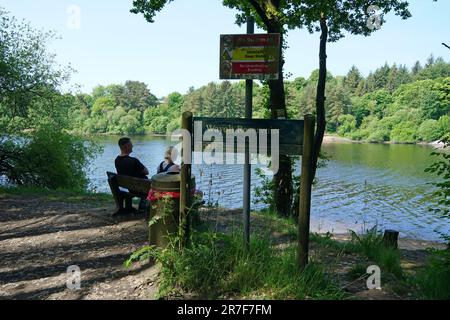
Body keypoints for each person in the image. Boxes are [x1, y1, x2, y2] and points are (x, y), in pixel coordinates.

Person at [114, 137, 149, 215]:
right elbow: (147, 172)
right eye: (131, 144)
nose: (132, 146)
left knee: (135, 189)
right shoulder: (133, 161)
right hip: (140, 189)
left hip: (130, 187)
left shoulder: (117, 160)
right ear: (126, 146)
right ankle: (140, 207)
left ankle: (134, 207)